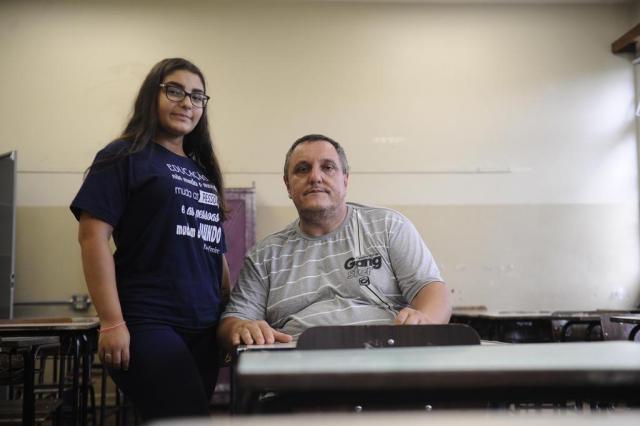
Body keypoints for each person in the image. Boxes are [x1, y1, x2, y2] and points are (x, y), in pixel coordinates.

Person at [70, 58, 229, 421]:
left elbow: (214, 250)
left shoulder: (202, 170)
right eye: (175, 91)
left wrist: (227, 313)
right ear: (151, 95)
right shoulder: (123, 155)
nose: (187, 103)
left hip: (204, 327)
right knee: (188, 418)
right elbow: (92, 237)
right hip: (147, 321)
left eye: (198, 96)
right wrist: (112, 322)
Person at [219, 134, 451, 348]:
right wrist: (241, 327)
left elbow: (432, 291)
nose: (315, 177)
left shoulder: (388, 227)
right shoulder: (264, 256)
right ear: (288, 186)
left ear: (345, 180)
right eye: (302, 169)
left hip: (388, 363)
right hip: (298, 378)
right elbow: (234, 321)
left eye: (328, 167)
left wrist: (425, 319)